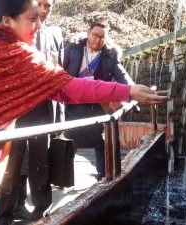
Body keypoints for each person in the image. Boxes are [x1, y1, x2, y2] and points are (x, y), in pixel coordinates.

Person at [0, 0, 169, 224]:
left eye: (40, 18)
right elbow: (70, 87)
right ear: (7, 21)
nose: (39, 26)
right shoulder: (16, 55)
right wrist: (128, 92)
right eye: (32, 19)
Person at [0, 0, 65, 223]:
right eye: (40, 4)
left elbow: (60, 74)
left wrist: (60, 116)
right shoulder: (11, 31)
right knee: (11, 163)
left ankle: (41, 210)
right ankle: (5, 212)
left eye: (48, 6)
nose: (44, 10)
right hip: (14, 109)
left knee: (40, 161)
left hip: (42, 109)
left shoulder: (55, 34)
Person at [64, 20, 134, 181]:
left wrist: (132, 91)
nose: (98, 40)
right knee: (69, 140)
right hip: (73, 103)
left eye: (102, 37)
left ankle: (104, 177)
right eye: (95, 35)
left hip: (96, 105)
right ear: (88, 33)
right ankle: (63, 178)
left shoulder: (110, 55)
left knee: (100, 141)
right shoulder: (72, 49)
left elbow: (122, 75)